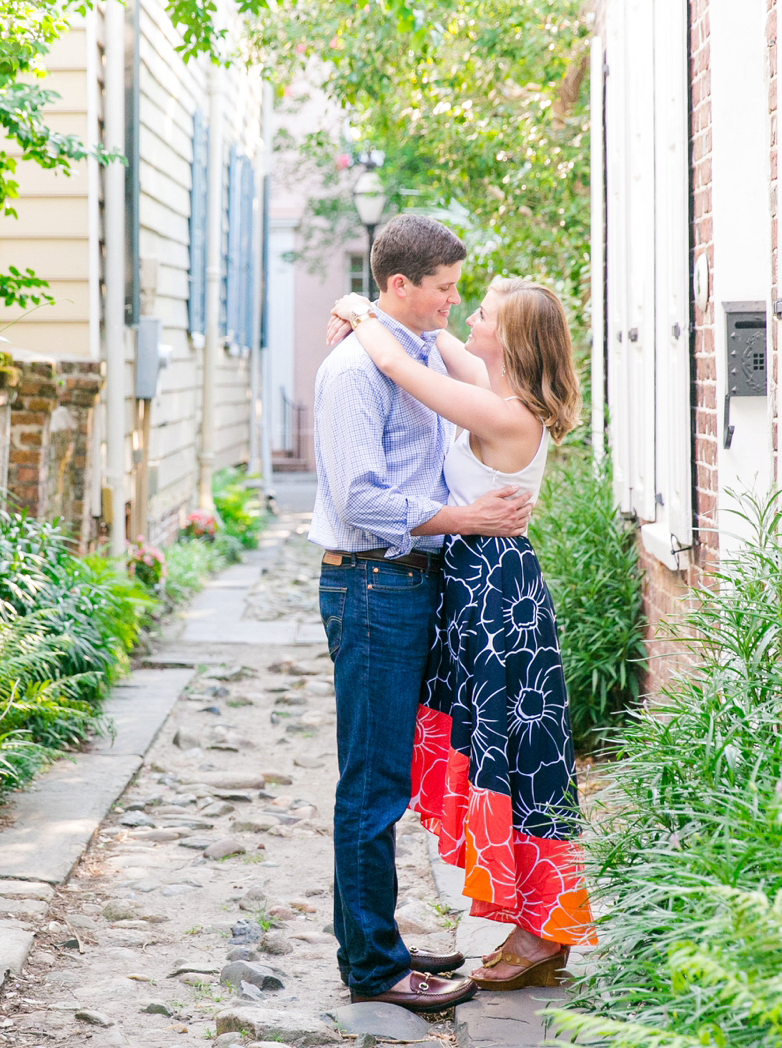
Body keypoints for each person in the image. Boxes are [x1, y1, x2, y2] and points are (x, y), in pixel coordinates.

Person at [326, 275, 594, 992]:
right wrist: (372, 305)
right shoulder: (496, 390)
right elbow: (431, 339)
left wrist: (357, 309)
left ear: (506, 340)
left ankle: (543, 928)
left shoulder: (503, 412)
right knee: (505, 750)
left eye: (481, 313)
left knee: (513, 752)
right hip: (482, 585)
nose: (464, 315)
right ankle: (538, 921)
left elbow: (400, 365)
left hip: (493, 593)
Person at [310, 215, 534, 1013]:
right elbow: (359, 499)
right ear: (401, 285)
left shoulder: (415, 352)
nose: (454, 300)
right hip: (372, 584)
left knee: (388, 779)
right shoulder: (356, 372)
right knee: (371, 783)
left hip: (407, 586)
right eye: (443, 288)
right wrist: (465, 522)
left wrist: (359, 306)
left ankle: (379, 943)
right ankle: (371, 967)